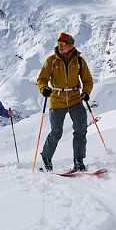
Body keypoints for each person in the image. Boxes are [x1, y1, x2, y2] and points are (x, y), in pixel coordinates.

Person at [36, 32, 94, 171]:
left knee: (81, 130)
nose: (59, 46)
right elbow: (42, 79)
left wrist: (86, 92)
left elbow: (87, 80)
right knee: (56, 132)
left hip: (75, 99)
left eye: (63, 44)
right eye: (58, 43)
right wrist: (43, 88)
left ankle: (78, 160)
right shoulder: (51, 61)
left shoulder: (79, 61)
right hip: (57, 101)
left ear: (70, 45)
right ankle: (46, 157)